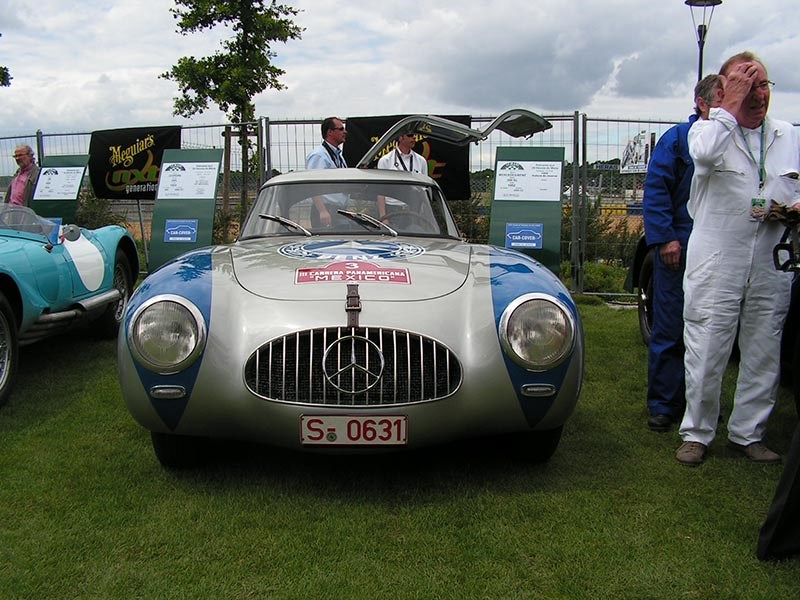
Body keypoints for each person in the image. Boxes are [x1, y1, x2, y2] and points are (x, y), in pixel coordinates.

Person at [676, 52, 800, 466]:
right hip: (718, 256)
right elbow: (705, 156)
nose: (757, 93)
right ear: (725, 90)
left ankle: (749, 432)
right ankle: (697, 432)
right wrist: (728, 106)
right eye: (747, 85)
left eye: (763, 84)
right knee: (708, 344)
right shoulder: (709, 131)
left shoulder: (786, 134)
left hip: (769, 255)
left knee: (764, 346)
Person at [643, 74, 723, 433]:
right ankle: (664, 404)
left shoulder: (733, 142)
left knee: (712, 331)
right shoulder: (677, 139)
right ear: (702, 103)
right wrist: (665, 240)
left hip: (720, 247)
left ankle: (702, 404)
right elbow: (657, 188)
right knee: (671, 326)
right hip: (680, 244)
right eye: (721, 100)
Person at [376, 130, 429, 219]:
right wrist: (383, 217)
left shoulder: (421, 161)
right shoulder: (386, 160)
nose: (414, 138)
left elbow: (425, 190)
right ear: (401, 137)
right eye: (410, 135)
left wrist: (425, 215)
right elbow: (380, 192)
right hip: (393, 208)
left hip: (415, 209)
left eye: (414, 135)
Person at [305, 117, 348, 228]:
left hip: (338, 211)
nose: (345, 132)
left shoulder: (338, 156)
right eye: (341, 129)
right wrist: (322, 211)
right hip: (326, 211)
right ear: (330, 132)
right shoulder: (319, 155)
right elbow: (313, 184)